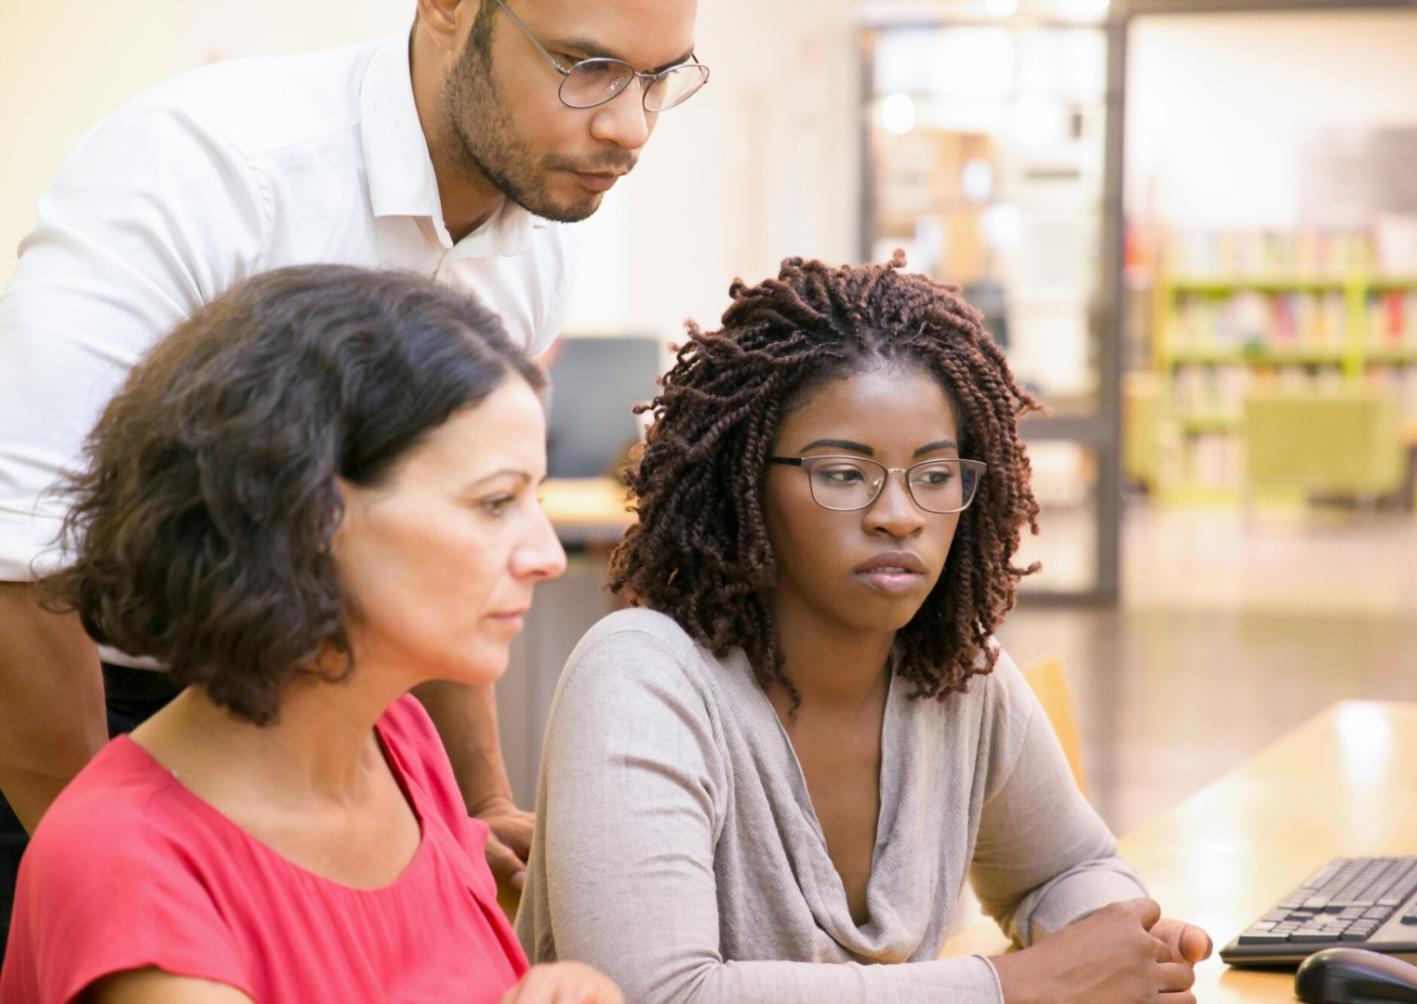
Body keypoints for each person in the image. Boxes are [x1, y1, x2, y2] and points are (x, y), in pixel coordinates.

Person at [0, 0, 707, 949]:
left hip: (329, 716)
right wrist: (113, 870)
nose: (629, 127)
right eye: (586, 67)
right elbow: (16, 554)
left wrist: (478, 806)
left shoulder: (539, 228)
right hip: (79, 709)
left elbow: (447, 552)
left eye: (660, 80)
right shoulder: (210, 166)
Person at [517, 254, 1213, 1003]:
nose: (900, 516)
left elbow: (1066, 868)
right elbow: (655, 994)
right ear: (742, 481)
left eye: (935, 475)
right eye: (844, 475)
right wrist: (1018, 987)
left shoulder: (953, 675)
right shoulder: (641, 679)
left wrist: (1118, 937)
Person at [0, 265, 622, 1004]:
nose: (548, 555)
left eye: (534, 498)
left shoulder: (400, 743)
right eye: (495, 502)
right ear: (310, 515)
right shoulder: (128, 864)